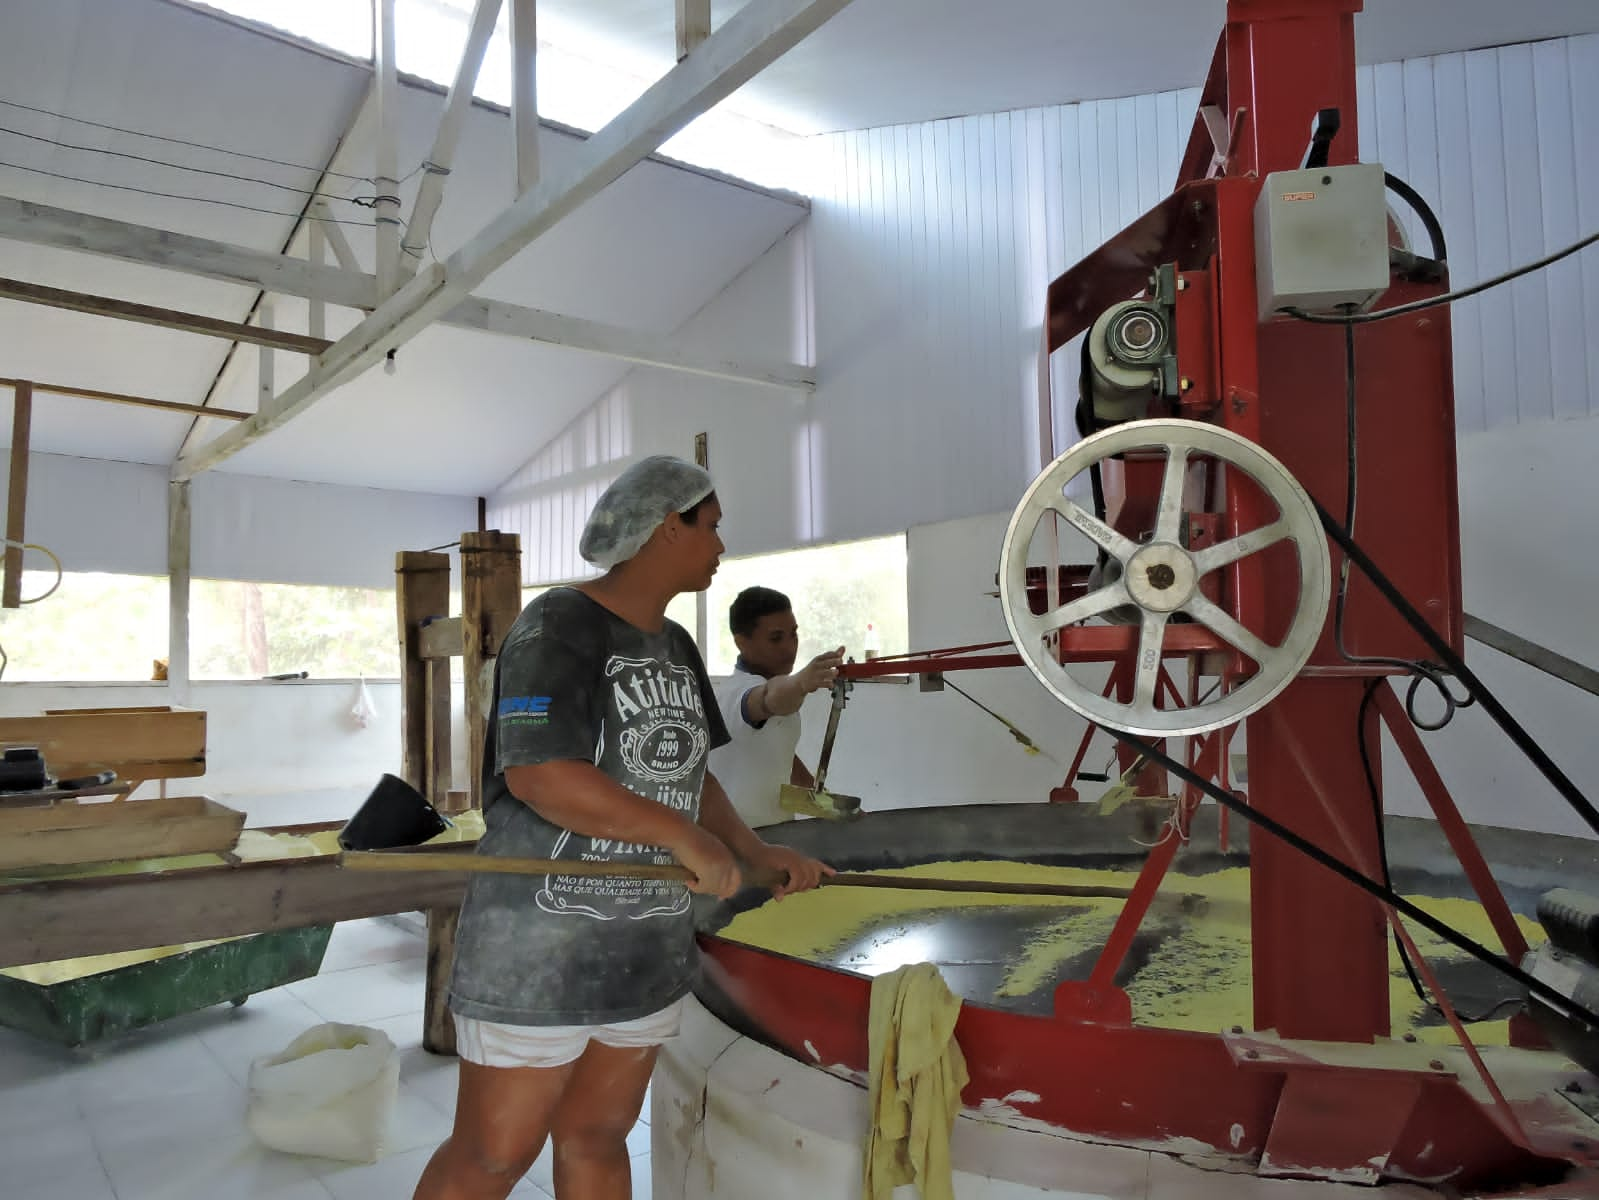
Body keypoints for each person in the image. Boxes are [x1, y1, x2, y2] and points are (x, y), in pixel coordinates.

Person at [414, 456, 832, 1200]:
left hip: (641, 944)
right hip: (540, 947)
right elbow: (540, 774)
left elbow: (690, 774)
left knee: (597, 1139)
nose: (720, 546)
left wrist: (751, 849)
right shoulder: (558, 624)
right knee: (493, 1155)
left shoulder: (675, 645)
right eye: (712, 527)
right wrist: (681, 839)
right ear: (668, 528)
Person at [709, 586, 845, 828]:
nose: (789, 647)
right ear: (741, 642)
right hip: (739, 844)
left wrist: (831, 809)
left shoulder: (771, 692)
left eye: (793, 634)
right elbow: (769, 698)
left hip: (777, 839)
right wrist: (801, 683)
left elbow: (781, 756)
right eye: (776, 638)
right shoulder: (738, 693)